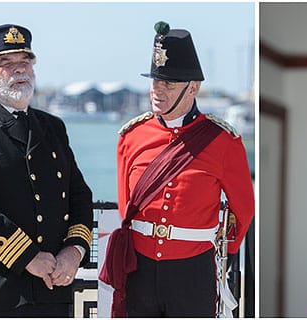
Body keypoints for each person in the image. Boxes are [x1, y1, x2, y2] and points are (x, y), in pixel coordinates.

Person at [99, 21, 254, 317]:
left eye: (168, 83)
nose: (157, 90)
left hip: (192, 272)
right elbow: (126, 204)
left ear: (193, 88)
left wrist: (228, 251)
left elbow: (243, 209)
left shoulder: (223, 141)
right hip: (139, 269)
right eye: (155, 81)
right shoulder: (131, 136)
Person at [0, 24, 94, 317]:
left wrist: (74, 252)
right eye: (6, 64)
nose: (19, 70)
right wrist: (28, 257)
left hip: (53, 292)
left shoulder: (52, 127)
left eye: (25, 62)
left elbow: (79, 195)